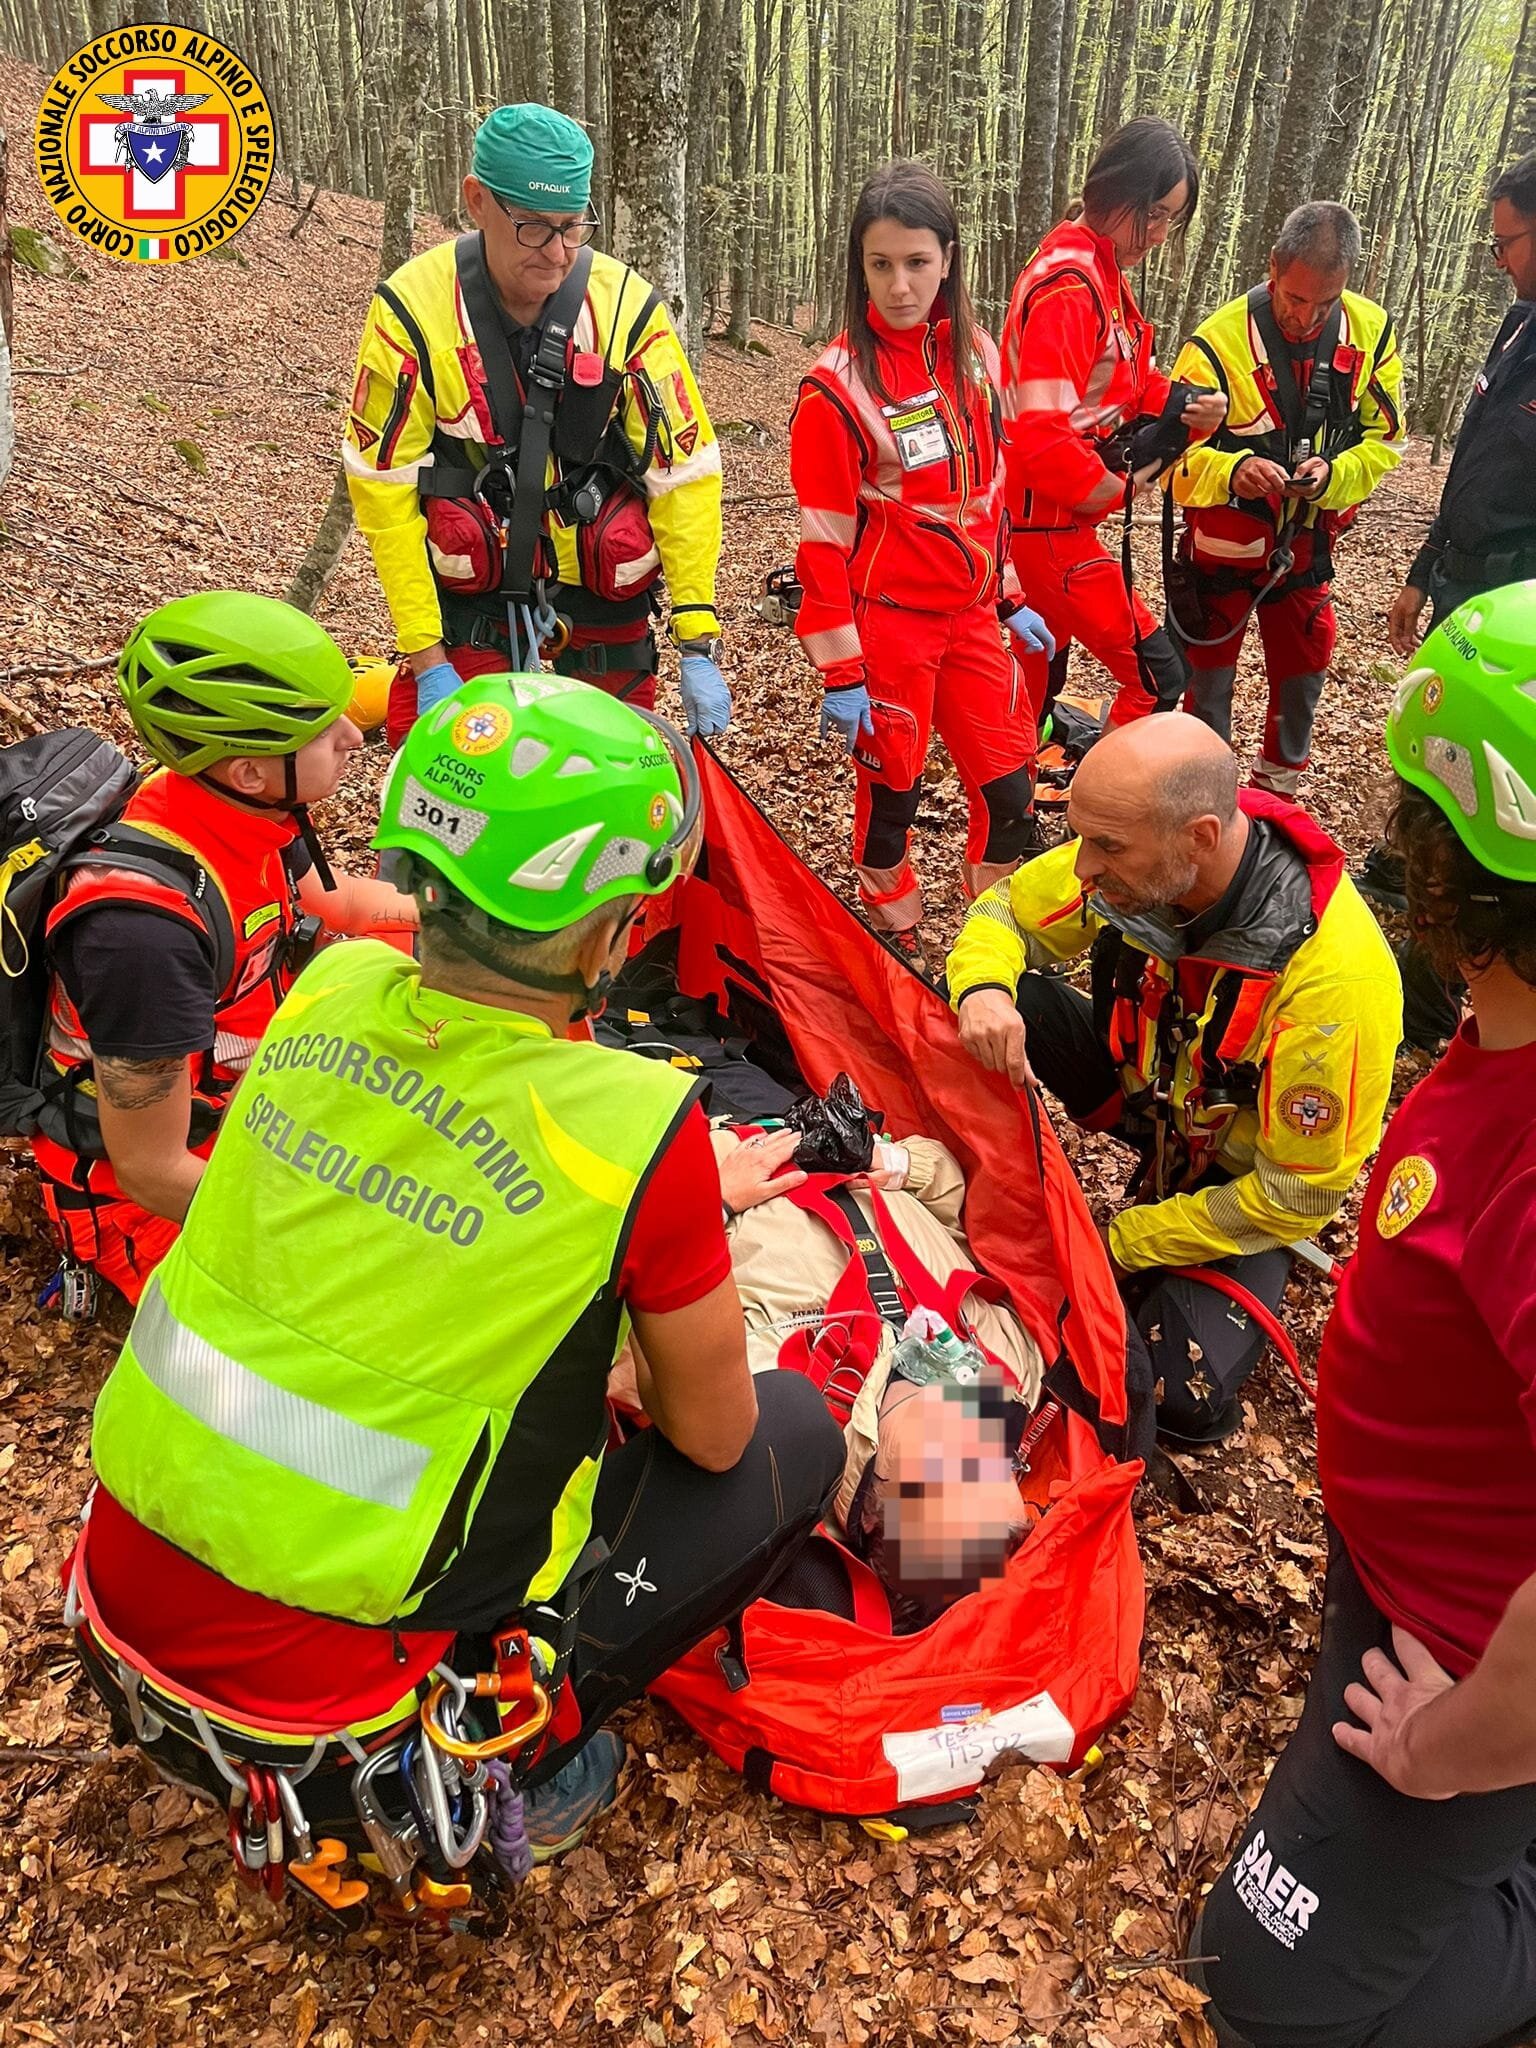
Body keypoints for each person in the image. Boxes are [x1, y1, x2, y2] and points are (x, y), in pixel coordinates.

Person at [73, 674, 845, 1875]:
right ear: (605, 928)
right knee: (788, 1432)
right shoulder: (642, 1127)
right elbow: (709, 1431)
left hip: (119, 1612)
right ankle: (537, 1758)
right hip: (344, 1735)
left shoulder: (326, 989)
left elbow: (412, 1173)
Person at [1191, 583, 1536, 2048]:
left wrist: (1458, 1748)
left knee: (1260, 1989)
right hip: (1430, 1588)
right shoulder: (1505, 1023)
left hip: (1467, 1662)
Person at [947, 712, 1400, 1442]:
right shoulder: (1144, 848)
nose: (1084, 867)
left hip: (1239, 1185)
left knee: (1177, 1394)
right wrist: (983, 991)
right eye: (1082, 839)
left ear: (1200, 838)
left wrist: (1126, 1239)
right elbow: (1005, 911)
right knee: (1009, 1000)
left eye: (1106, 847)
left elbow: (1296, 1195)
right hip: (1152, 1098)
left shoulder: (1333, 985)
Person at [31, 593, 418, 1312]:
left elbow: (344, 908)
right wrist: (324, 1227)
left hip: (242, 1096)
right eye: (322, 728)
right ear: (246, 769)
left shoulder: (248, 805)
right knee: (375, 1302)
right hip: (143, 1195)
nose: (352, 738)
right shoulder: (142, 933)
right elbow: (150, 1170)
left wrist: (479, 926)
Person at [343, 102, 729, 749]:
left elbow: (682, 473)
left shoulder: (626, 311)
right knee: (452, 772)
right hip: (472, 594)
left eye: (573, 226)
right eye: (532, 228)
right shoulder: (411, 314)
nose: (557, 253)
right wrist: (426, 655)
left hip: (603, 587)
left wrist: (696, 637)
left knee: (616, 772)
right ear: (477, 202)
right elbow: (382, 492)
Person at [789, 161, 1055, 973]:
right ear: (858, 267)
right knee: (891, 800)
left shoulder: (977, 355)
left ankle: (992, 937)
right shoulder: (836, 388)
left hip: (973, 620)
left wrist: (1007, 596)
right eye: (880, 265)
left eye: (917, 262)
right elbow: (821, 543)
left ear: (948, 259)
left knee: (1012, 795)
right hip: (891, 629)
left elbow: (991, 493)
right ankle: (894, 932)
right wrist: (843, 674)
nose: (900, 285)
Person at [1375, 149, 1536, 1049]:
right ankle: (1420, 984)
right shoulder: (1516, 329)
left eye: (1506, 240)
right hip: (1468, 603)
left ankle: (1448, 1014)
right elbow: (1472, 462)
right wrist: (1423, 570)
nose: (1499, 256)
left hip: (1525, 632)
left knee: (1493, 821)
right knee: (1438, 782)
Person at [999, 118, 1227, 732]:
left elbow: (1119, 386)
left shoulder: (1101, 274)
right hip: (1048, 529)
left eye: (1169, 220)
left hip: (1059, 524)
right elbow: (1041, 440)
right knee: (1158, 679)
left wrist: (1184, 404)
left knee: (1039, 679)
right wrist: (1123, 484)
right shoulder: (1070, 287)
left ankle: (1023, 809)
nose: (1156, 234)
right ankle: (1110, 817)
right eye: (1151, 213)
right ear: (1112, 190)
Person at [1170, 201, 1404, 793]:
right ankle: (1206, 796)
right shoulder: (1216, 345)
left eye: (1325, 303)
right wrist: (1233, 469)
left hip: (1305, 553)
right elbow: (1168, 464)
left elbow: (1385, 442)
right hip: (1222, 559)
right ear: (1273, 266)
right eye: (1296, 299)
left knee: (1304, 669)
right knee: (1208, 684)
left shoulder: (1371, 333)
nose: (1307, 317)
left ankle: (1278, 794)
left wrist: (1335, 475)